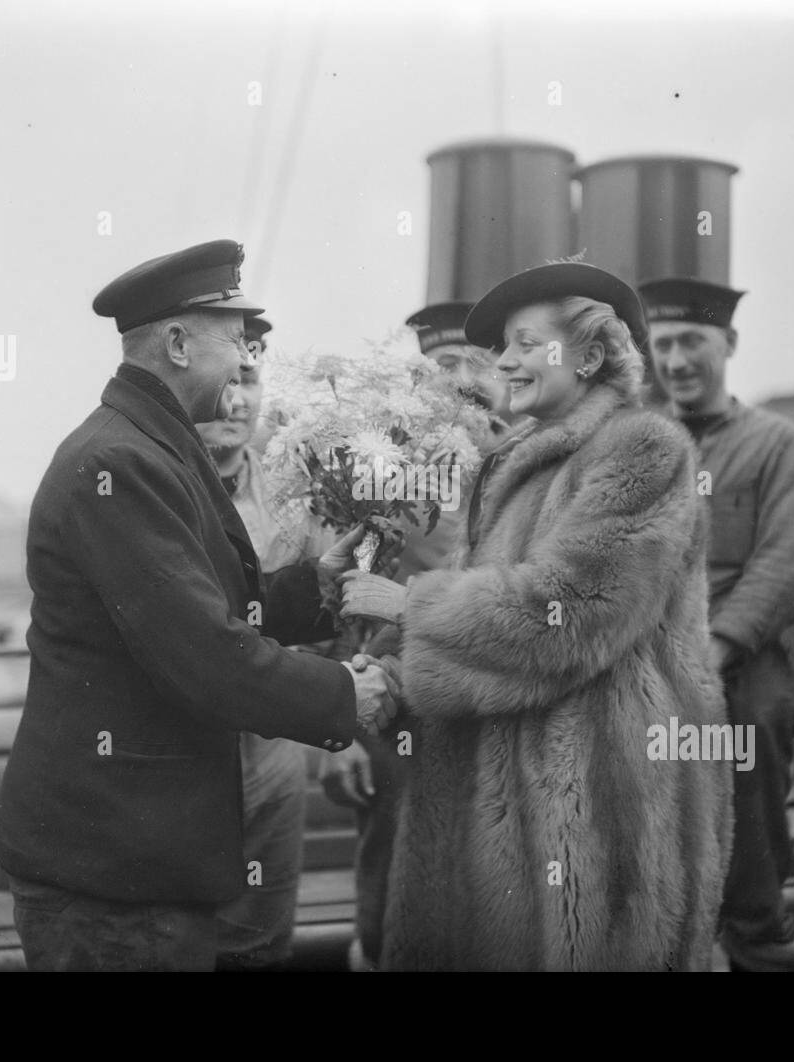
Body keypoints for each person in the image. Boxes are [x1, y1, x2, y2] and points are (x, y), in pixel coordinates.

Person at [0, 239, 398, 971]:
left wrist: (316, 589)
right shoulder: (121, 462)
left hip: (136, 856)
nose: (248, 361)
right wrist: (346, 692)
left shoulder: (150, 445)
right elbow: (206, 656)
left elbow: (208, 605)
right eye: (236, 339)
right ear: (177, 343)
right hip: (115, 875)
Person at [340, 261, 733, 970]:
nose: (506, 363)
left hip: (596, 800)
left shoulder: (644, 448)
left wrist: (410, 607)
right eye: (503, 349)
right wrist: (393, 674)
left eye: (525, 343)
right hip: (502, 799)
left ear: (588, 354)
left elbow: (572, 613)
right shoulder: (514, 457)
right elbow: (485, 603)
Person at [317, 301, 521, 970]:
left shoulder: (531, 465)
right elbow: (351, 602)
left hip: (498, 710)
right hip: (398, 710)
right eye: (442, 365)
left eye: (476, 360)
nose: (461, 377)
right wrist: (342, 727)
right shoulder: (386, 468)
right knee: (390, 893)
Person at [639, 277, 794, 972]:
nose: (678, 360)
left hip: (739, 661)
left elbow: (788, 560)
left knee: (759, 730)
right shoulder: (641, 443)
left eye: (693, 342)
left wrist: (715, 649)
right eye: (664, 344)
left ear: (730, 344)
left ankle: (759, 932)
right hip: (647, 659)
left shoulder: (775, 443)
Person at [198, 313, 338, 970]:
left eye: (248, 379)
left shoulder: (298, 490)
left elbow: (335, 605)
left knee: (260, 946)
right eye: (221, 380)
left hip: (274, 765)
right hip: (181, 761)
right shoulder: (147, 484)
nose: (234, 401)